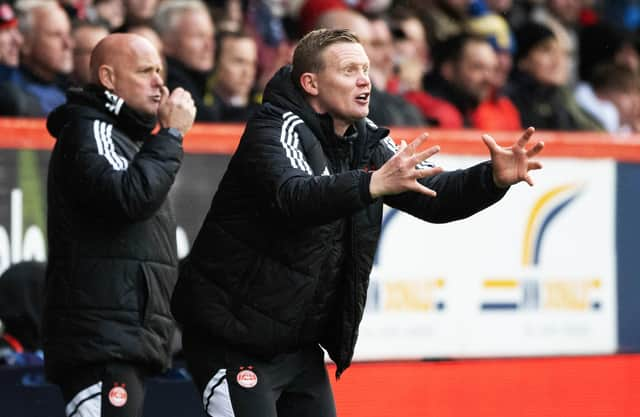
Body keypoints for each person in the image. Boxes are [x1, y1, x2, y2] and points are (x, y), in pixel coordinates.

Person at [171, 28, 544, 417]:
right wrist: (371, 183)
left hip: (296, 346)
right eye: (349, 70)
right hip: (232, 340)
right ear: (311, 83)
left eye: (365, 69)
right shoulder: (275, 126)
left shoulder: (363, 138)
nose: (365, 79)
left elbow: (437, 198)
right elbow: (295, 195)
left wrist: (492, 178)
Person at [43, 33, 196, 417]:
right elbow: (128, 197)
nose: (159, 83)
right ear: (109, 78)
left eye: (159, 71)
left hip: (121, 341)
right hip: (102, 343)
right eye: (146, 71)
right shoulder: (91, 129)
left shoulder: (127, 138)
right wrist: (172, 136)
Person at [0, 0, 73, 116]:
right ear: (26, 41)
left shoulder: (72, 90)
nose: (68, 44)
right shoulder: (8, 90)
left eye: (68, 34)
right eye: (56, 35)